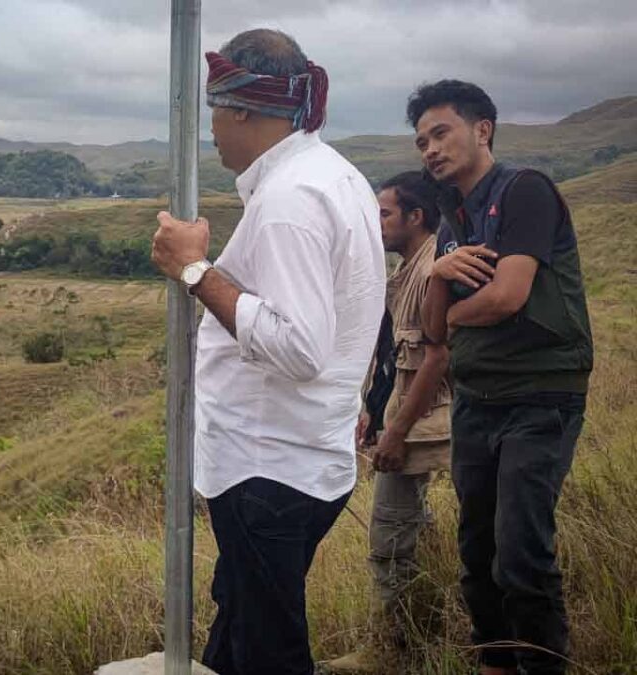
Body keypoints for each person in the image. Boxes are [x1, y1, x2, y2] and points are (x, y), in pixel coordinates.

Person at [150, 28, 386, 675]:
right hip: (300, 457)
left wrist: (196, 270)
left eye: (215, 114)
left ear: (245, 109)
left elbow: (301, 345)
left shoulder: (289, 201)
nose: (213, 132)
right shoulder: (336, 178)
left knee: (269, 651)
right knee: (242, 620)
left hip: (269, 466)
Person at [412, 80, 593, 675]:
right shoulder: (451, 222)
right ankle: (494, 662)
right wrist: (439, 275)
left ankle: (543, 665)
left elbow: (509, 296)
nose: (430, 149)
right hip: (477, 399)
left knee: (520, 553)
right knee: (477, 548)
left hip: (540, 396)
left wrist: (456, 313)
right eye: (421, 142)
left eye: (441, 133)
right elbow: (435, 332)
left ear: (482, 129)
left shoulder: (525, 191)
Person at [326, 172, 453, 674]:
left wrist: (395, 432)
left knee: (390, 541)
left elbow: (435, 360)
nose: (374, 223)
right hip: (405, 418)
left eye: (384, 213)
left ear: (415, 217)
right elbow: (391, 358)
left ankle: (392, 651)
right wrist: (372, 412)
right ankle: (423, 635)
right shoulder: (407, 269)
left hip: (422, 426)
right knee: (415, 531)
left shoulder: (431, 270)